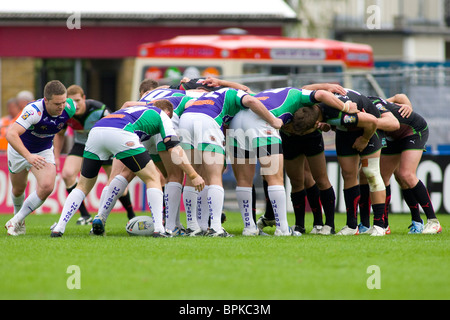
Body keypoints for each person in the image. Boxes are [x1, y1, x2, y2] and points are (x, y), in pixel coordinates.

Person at [50, 99, 205, 237]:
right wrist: (193, 175)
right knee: (153, 178)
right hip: (121, 132)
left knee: (83, 186)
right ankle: (159, 229)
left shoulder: (136, 109)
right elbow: (173, 147)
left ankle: (60, 227)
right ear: (168, 112)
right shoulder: (162, 114)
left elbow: (127, 104)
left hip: (97, 131)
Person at [229, 87, 357, 236]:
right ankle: (283, 229)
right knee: (274, 178)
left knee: (244, 180)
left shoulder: (268, 93)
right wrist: (346, 106)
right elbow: (321, 93)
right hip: (262, 123)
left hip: (237, 123)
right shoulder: (296, 95)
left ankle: (249, 228)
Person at [178, 87, 283, 237]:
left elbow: (189, 106)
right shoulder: (233, 93)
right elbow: (251, 100)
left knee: (192, 175)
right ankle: (215, 228)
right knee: (214, 176)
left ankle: (193, 227)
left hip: (186, 120)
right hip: (208, 120)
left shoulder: (208, 97)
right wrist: (273, 120)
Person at [296, 89, 389, 236]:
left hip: (369, 129)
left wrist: (364, 139)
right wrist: (328, 125)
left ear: (315, 123)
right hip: (345, 131)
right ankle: (352, 226)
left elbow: (372, 121)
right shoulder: (315, 106)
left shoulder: (342, 114)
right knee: (347, 173)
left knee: (371, 173)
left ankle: (379, 225)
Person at [5, 80, 76, 236]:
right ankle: (19, 221)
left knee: (47, 186)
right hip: (20, 150)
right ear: (46, 101)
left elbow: (75, 120)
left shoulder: (69, 108)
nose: (61, 107)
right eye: (57, 103)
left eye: (63, 102)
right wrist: (28, 156)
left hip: (44, 150)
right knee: (18, 189)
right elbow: (11, 134)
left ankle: (16, 220)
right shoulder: (33, 111)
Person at [60, 85, 136, 225]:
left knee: (116, 182)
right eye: (71, 101)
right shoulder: (65, 112)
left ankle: (131, 216)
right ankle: (85, 215)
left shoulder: (99, 109)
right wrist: (56, 156)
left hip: (103, 145)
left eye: (78, 100)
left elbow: (116, 125)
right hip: (81, 144)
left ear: (84, 98)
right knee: (67, 174)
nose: (75, 105)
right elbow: (59, 134)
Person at [367, 94, 442, 234]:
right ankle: (384, 225)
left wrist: (408, 106)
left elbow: (399, 97)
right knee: (383, 177)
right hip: (392, 136)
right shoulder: (362, 109)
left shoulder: (371, 103)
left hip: (413, 130)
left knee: (406, 174)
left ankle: (433, 221)